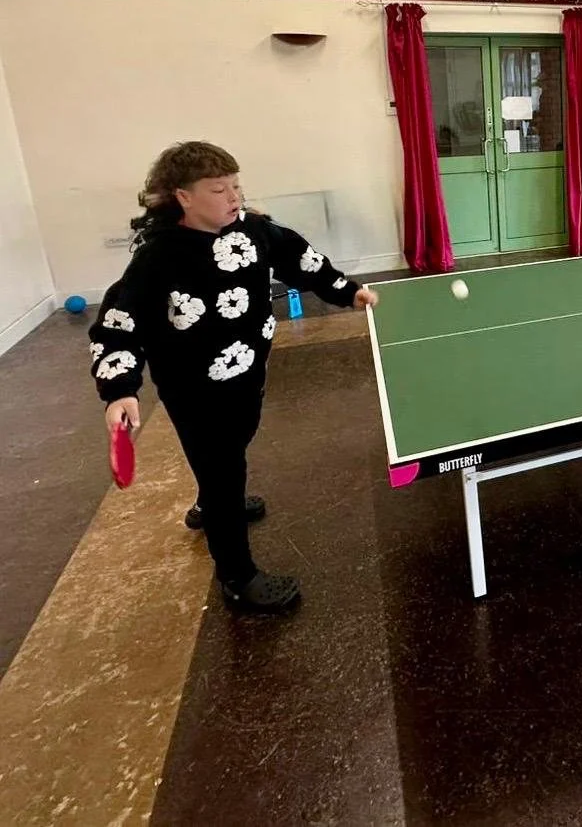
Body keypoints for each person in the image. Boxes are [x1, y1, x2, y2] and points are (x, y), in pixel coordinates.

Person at [87, 141, 379, 612]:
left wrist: (347, 292)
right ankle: (239, 578)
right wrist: (119, 390)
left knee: (236, 443)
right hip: (192, 388)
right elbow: (119, 323)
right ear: (183, 196)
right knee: (224, 470)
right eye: (218, 189)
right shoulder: (158, 257)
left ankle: (210, 501)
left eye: (236, 186)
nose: (233, 197)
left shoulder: (256, 231)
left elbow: (302, 261)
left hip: (247, 371)